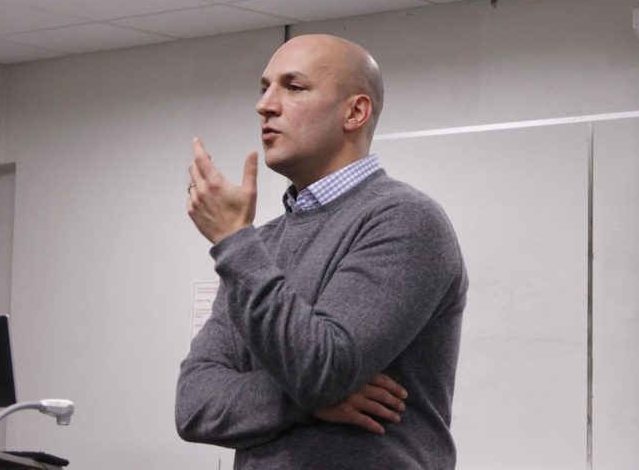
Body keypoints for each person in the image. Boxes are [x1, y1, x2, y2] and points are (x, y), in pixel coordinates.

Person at [177, 34, 469, 469]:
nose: (265, 105)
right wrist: (304, 403)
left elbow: (322, 368)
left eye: (293, 87)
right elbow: (194, 403)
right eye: (265, 87)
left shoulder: (405, 219)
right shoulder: (260, 246)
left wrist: (233, 240)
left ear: (355, 112)